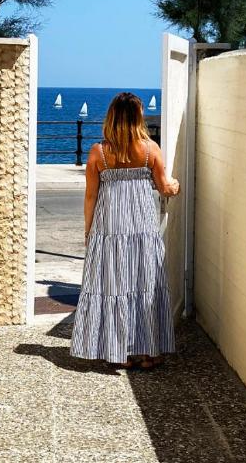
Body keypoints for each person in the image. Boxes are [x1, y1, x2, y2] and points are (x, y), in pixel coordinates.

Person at [70, 92, 180, 369]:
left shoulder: (98, 152)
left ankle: (120, 352)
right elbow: (164, 188)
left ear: (112, 118)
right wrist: (176, 185)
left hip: (109, 228)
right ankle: (148, 352)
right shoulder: (150, 149)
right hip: (142, 228)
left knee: (114, 286)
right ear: (137, 118)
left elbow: (91, 197)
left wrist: (89, 231)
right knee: (144, 284)